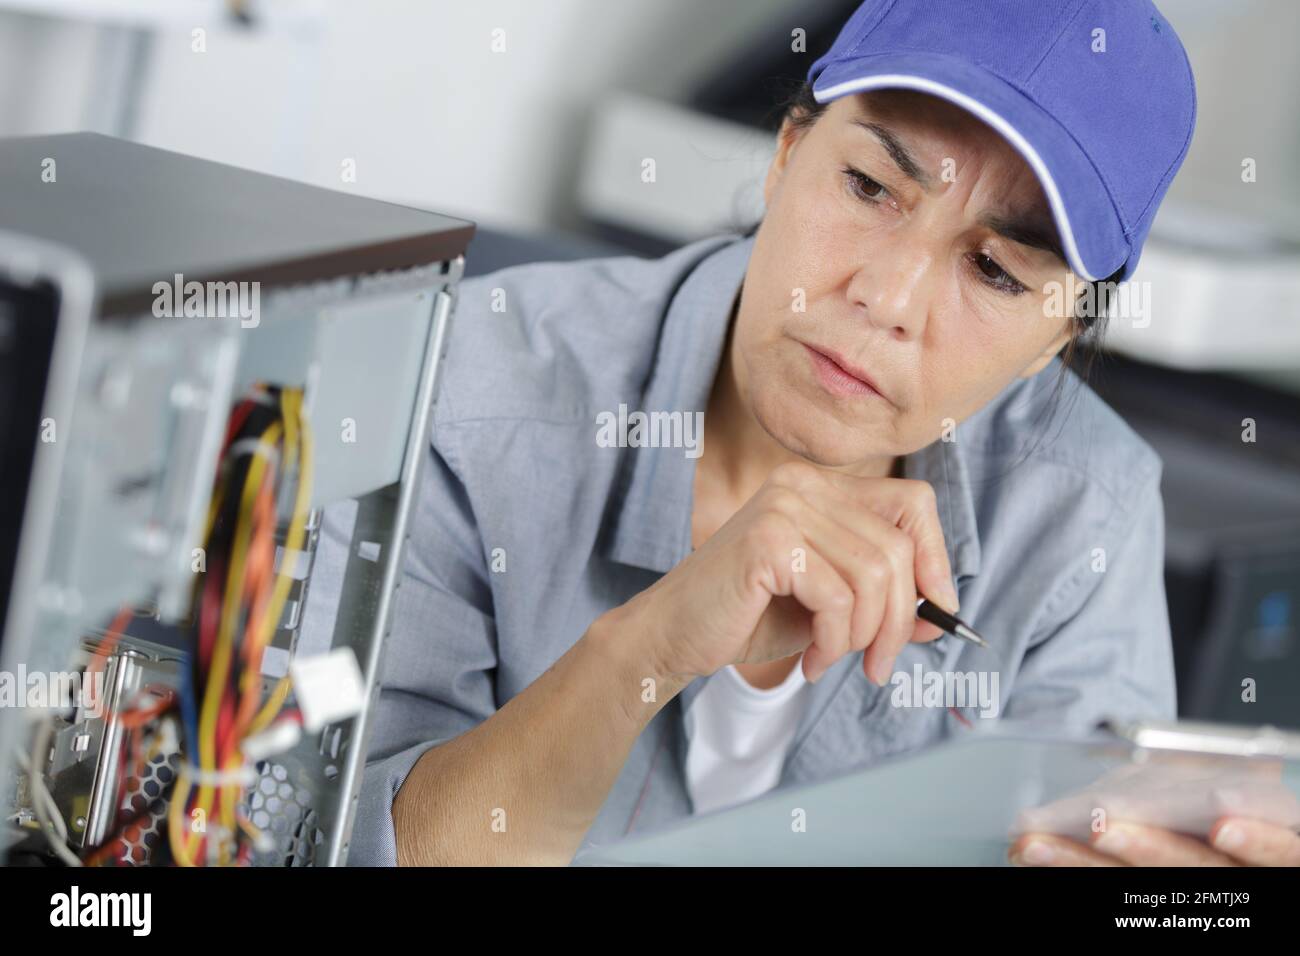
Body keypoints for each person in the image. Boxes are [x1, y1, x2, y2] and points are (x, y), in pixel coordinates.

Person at [343, 0, 1300, 866]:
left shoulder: (1087, 511)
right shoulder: (474, 384)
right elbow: (369, 851)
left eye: (998, 272)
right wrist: (648, 648)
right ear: (787, 154)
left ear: (1056, 337)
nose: (887, 298)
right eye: (871, 187)